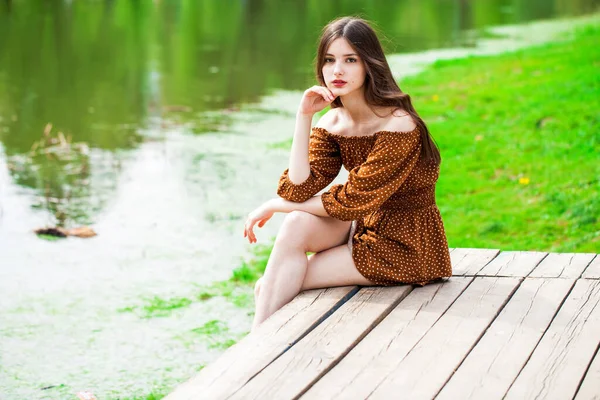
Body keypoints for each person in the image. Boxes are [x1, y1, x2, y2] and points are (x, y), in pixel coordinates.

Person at [243, 16, 452, 331]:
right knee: (296, 226)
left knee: (271, 286)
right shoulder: (334, 122)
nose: (336, 70)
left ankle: (254, 350)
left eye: (349, 60)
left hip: (403, 245)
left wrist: (275, 205)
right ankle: (258, 347)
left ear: (369, 64)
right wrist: (304, 117)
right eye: (329, 60)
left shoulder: (399, 124)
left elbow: (353, 201)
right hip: (363, 227)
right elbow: (298, 189)